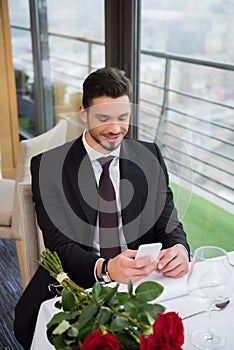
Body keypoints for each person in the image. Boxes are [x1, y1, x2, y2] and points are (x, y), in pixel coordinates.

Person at [14, 67, 190, 349]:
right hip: (78, 277)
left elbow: (168, 223)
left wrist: (180, 249)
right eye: (104, 118)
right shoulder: (48, 167)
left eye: (123, 118)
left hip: (139, 278)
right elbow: (59, 243)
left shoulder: (149, 156)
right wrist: (106, 269)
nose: (115, 129)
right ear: (83, 113)